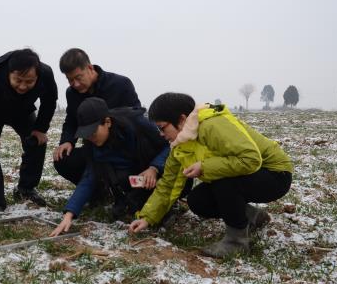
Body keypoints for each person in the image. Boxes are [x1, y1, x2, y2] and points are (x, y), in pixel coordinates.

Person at [128, 93, 293, 258]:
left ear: (181, 120)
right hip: (245, 175)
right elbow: (168, 184)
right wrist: (147, 218)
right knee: (198, 201)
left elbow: (249, 159)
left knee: (224, 181)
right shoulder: (180, 145)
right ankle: (253, 216)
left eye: (162, 127)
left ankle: (237, 243)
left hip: (275, 174)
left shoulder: (212, 125)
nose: (161, 134)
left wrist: (204, 167)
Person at [49, 97, 169, 237]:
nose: (90, 138)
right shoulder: (93, 145)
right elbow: (89, 178)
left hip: (155, 170)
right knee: (124, 181)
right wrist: (69, 214)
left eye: (93, 133)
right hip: (133, 179)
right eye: (86, 135)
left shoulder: (138, 124)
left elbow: (169, 146)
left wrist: (154, 168)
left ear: (107, 122)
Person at [0, 48, 57, 212]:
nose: (23, 86)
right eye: (18, 80)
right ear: (9, 73)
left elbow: (50, 100)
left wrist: (40, 128)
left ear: (37, 76)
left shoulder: (46, 73)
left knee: (37, 142)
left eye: (29, 82)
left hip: (22, 111)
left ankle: (26, 188)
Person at [53, 48, 141, 186]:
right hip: (93, 147)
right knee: (63, 159)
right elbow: (71, 121)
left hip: (122, 148)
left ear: (89, 68)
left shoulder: (121, 84)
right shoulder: (72, 93)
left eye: (78, 77)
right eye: (70, 80)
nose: (75, 84)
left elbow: (136, 118)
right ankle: (97, 193)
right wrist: (67, 141)